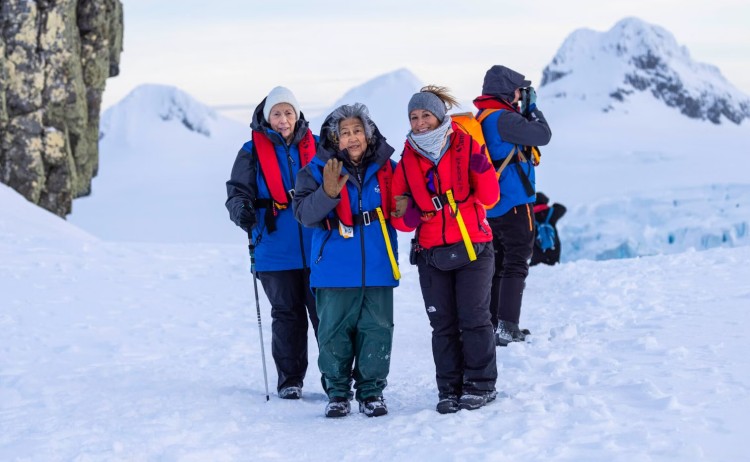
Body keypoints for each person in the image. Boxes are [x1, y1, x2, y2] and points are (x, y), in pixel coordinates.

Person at [390, 86, 499, 414]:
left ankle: (480, 385)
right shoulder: (405, 160)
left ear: (439, 116)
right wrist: (408, 211)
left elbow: (490, 198)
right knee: (443, 325)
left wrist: (482, 168)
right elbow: (402, 222)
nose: (420, 122)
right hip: (431, 255)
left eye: (425, 115)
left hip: (474, 248)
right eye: (414, 117)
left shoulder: (468, 147)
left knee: (475, 319)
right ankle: (449, 389)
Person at [293, 103, 399, 418]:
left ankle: (372, 393)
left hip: (378, 266)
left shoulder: (389, 168)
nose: (352, 138)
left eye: (357, 131)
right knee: (333, 334)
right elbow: (304, 216)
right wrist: (327, 192)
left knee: (377, 331)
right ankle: (338, 394)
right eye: (344, 133)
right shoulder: (314, 170)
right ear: (333, 139)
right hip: (334, 268)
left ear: (368, 135)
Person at [225, 86, 319, 400]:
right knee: (287, 316)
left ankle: (338, 380)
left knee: (327, 317)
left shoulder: (318, 146)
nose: (282, 119)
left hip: (318, 247)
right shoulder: (250, 151)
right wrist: (241, 210)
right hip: (274, 248)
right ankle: (290, 381)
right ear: (267, 117)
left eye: (288, 112)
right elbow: (237, 192)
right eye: (276, 113)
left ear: (297, 115)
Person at [474, 65, 552, 347]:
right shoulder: (505, 118)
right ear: (507, 90)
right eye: (519, 90)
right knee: (516, 262)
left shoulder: (483, 116)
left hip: (491, 204)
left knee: (496, 265)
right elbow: (543, 135)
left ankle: (495, 324)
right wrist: (532, 109)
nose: (521, 94)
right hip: (516, 203)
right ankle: (508, 326)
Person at [530, 192, 567, 266]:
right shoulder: (551, 212)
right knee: (554, 266)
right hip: (553, 248)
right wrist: (554, 205)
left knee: (536, 268)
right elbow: (563, 208)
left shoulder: (530, 217)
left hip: (537, 251)